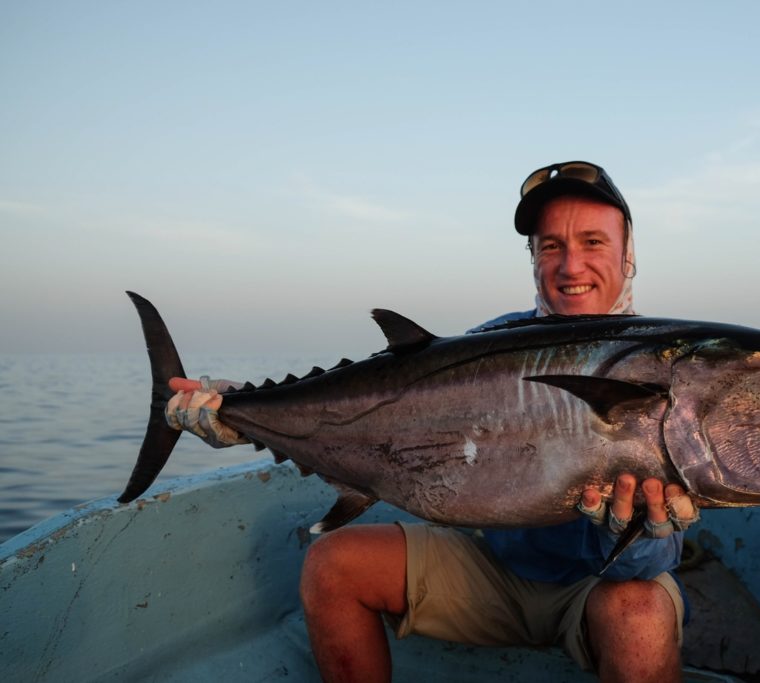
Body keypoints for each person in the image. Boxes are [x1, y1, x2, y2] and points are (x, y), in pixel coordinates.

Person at [166, 161, 698, 683]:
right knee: (332, 567)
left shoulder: (670, 361)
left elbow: (641, 569)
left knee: (640, 609)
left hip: (599, 587)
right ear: (533, 258)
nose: (570, 266)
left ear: (629, 255)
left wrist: (636, 534)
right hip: (496, 570)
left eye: (593, 242)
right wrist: (239, 410)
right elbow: (384, 405)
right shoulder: (485, 345)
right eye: (551, 246)